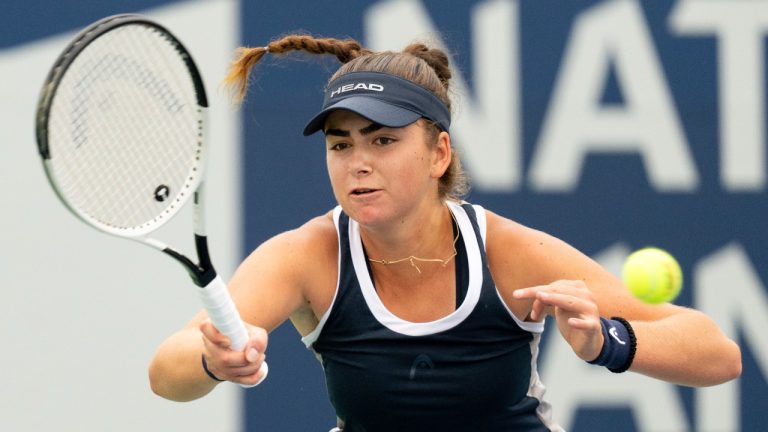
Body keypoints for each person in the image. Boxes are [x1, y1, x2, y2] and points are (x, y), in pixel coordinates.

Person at [148, 35, 742, 431]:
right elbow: (165, 373)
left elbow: (719, 353)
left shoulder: (509, 251)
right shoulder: (308, 255)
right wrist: (210, 359)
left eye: (383, 141)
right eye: (340, 145)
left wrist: (608, 342)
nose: (358, 162)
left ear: (438, 154)